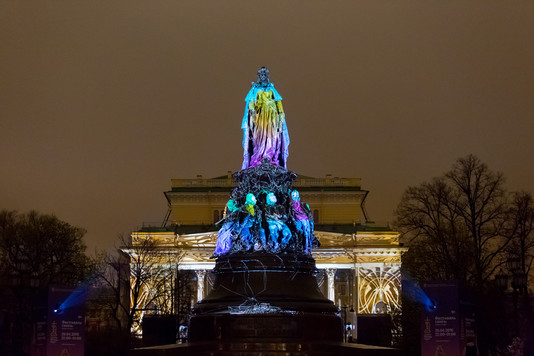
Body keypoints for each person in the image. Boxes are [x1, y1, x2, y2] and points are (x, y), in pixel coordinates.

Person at [241, 67, 289, 169]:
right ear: (259, 77)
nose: (263, 77)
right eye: (261, 75)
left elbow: (279, 104)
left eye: (265, 75)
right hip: (259, 119)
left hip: (271, 119)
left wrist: (280, 116)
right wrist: (253, 112)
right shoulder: (255, 89)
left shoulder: (272, 89)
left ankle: (271, 158)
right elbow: (250, 104)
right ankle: (258, 158)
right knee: (258, 139)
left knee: (272, 138)